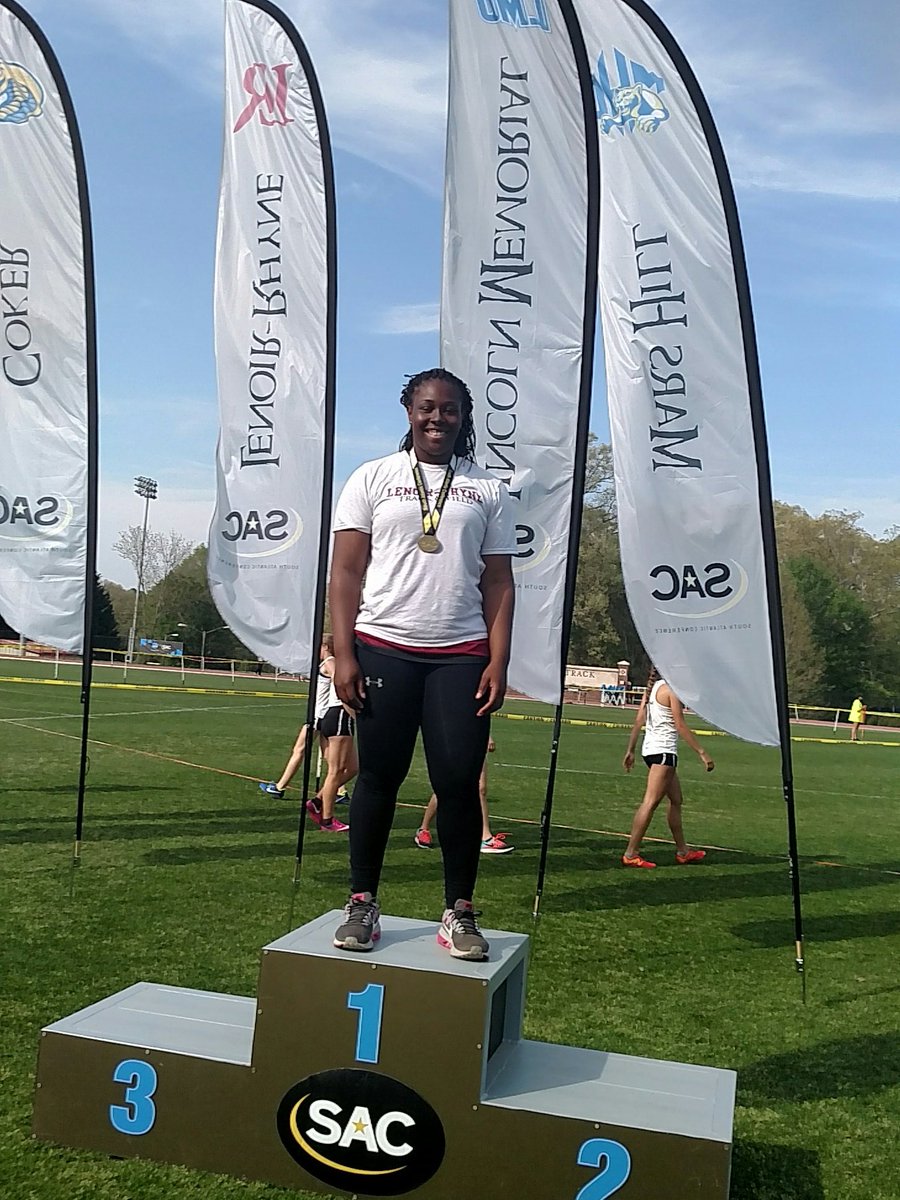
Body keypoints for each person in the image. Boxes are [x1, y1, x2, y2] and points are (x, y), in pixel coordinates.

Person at [329, 367, 516, 960]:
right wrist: (343, 651)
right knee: (379, 779)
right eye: (428, 408)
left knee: (458, 783)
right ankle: (362, 901)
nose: (439, 419)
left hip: (460, 656)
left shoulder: (487, 488)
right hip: (384, 646)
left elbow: (499, 581)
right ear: (409, 410)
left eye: (451, 410)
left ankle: (459, 911)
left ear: (465, 417)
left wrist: (499, 658)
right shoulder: (373, 477)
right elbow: (346, 572)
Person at [621, 667, 713, 869]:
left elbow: (639, 721)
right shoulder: (671, 691)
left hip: (651, 750)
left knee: (676, 800)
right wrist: (701, 752)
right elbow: (680, 725)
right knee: (650, 802)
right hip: (664, 753)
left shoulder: (652, 688)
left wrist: (631, 750)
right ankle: (631, 853)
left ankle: (683, 851)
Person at [258, 638, 351, 833]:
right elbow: (335, 680)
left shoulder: (330, 662)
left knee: (320, 759)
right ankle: (327, 801)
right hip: (325, 716)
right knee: (329, 762)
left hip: (321, 716)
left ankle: (294, 791)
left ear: (325, 647)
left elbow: (337, 680)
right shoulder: (328, 663)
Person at [414, 735, 514, 854]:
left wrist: (487, 735)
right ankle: (424, 829)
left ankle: (485, 837)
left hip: (475, 738)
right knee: (448, 786)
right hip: (453, 736)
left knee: (480, 788)